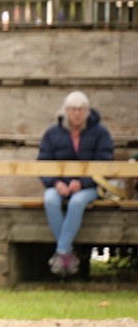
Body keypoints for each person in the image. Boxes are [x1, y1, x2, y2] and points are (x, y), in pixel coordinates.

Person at [38, 91, 114, 276]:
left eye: (81, 109)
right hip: (58, 185)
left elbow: (105, 162)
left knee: (77, 202)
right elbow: (43, 163)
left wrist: (83, 183)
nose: (77, 113)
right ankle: (67, 253)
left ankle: (62, 252)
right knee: (50, 200)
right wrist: (56, 182)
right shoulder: (52, 133)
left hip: (90, 186)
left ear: (88, 111)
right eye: (73, 109)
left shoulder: (101, 133)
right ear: (65, 111)